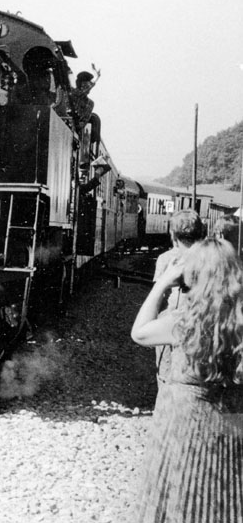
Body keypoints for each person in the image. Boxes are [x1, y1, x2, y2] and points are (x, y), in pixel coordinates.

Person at [130, 239, 243, 522]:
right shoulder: (239, 321)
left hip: (182, 421)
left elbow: (140, 333)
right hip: (230, 420)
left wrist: (163, 283)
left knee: (179, 490)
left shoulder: (185, 320)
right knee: (222, 492)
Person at [152, 209, 206, 385]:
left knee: (166, 373)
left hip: (171, 325)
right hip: (202, 322)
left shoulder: (166, 259)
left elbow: (158, 297)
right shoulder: (209, 258)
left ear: (172, 234)